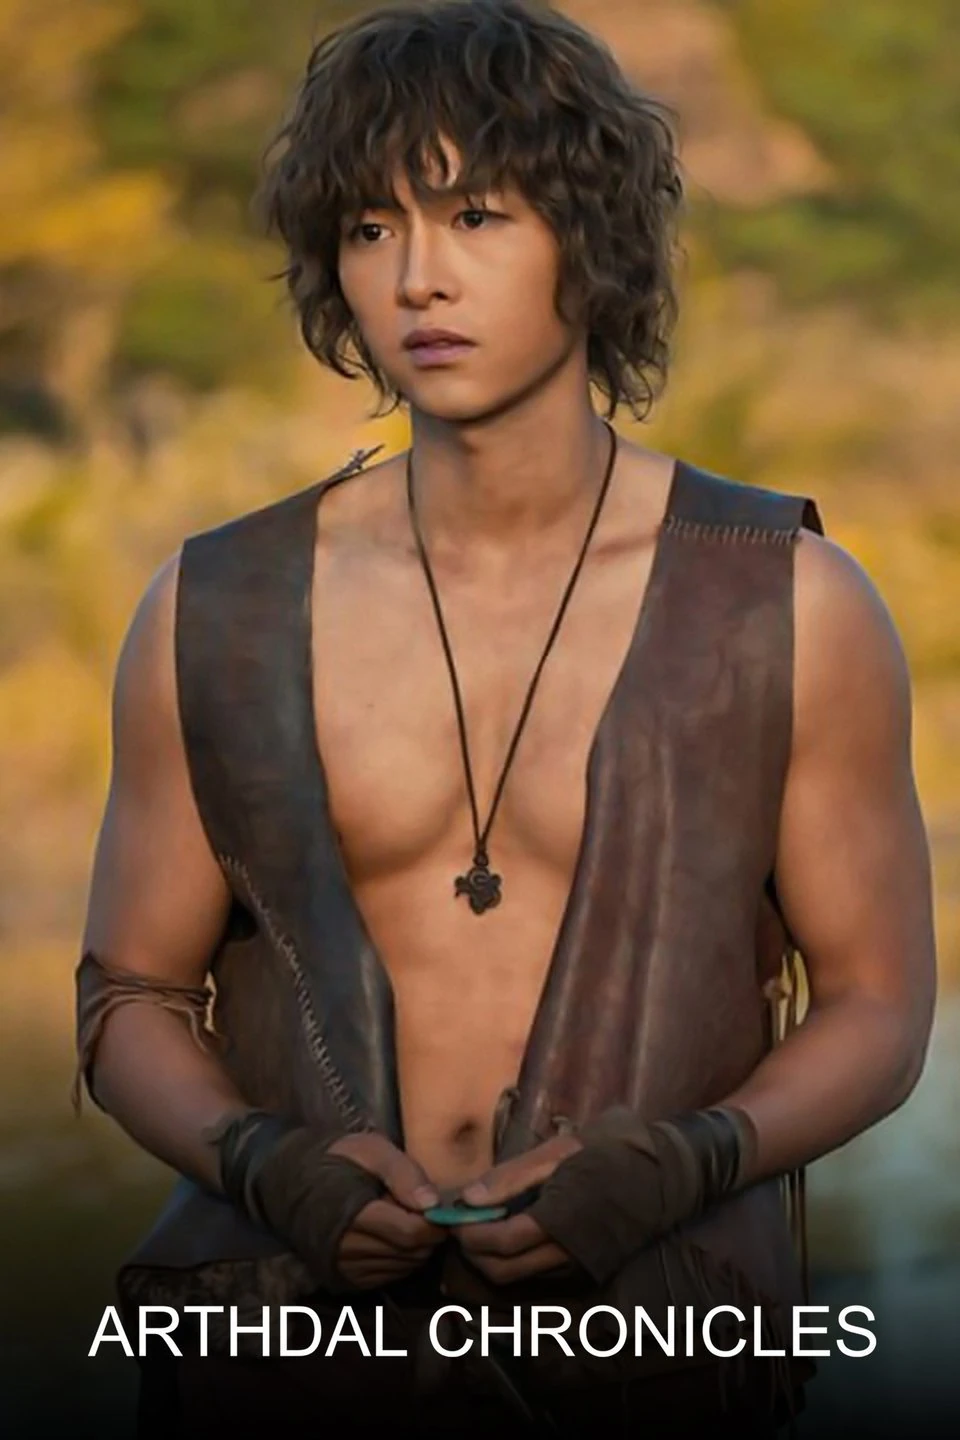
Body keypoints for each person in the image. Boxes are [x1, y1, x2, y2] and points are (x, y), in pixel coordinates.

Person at [72, 2, 936, 1436]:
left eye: (476, 215)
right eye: (370, 228)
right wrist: (264, 1163)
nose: (418, 277)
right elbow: (128, 996)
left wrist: (686, 1161)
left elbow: (879, 1006)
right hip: (281, 1355)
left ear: (589, 241)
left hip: (653, 1356)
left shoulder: (785, 602)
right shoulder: (216, 605)